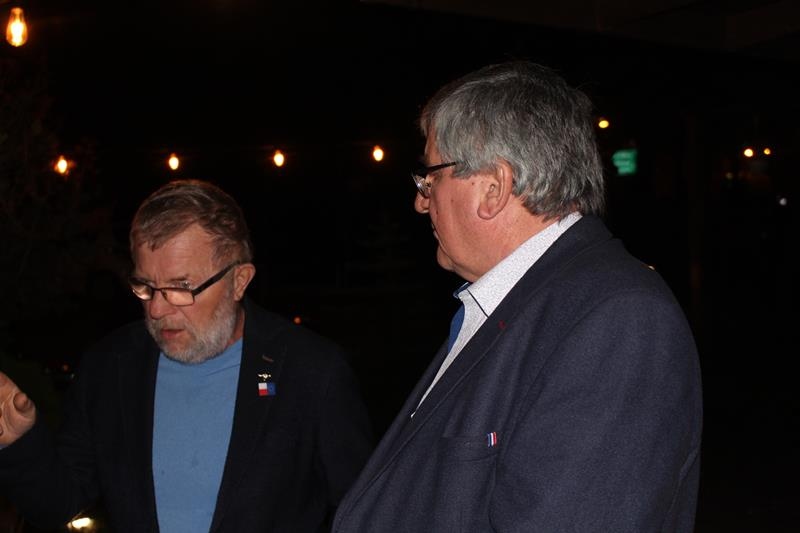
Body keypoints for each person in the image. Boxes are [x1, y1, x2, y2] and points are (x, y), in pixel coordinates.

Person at [333, 61, 702, 532]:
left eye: (430, 178)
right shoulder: (517, 303)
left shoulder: (618, 321)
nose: (421, 201)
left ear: (494, 187)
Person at [0, 179, 373, 533]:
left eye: (180, 288)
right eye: (146, 286)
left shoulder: (312, 372)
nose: (157, 309)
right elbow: (57, 505)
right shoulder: (110, 367)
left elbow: (367, 514)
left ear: (239, 281)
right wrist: (18, 441)